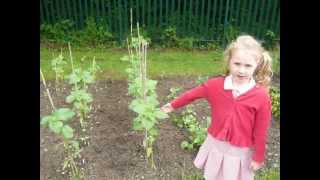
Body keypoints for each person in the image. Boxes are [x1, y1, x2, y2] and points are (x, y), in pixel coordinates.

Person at [161, 35, 273, 180]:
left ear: (257, 65)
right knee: (214, 175)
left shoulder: (261, 96)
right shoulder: (215, 85)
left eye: (247, 66)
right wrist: (172, 105)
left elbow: (261, 131)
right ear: (229, 62)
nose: (241, 70)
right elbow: (191, 95)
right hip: (216, 144)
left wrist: (258, 156)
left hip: (239, 150)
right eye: (237, 64)